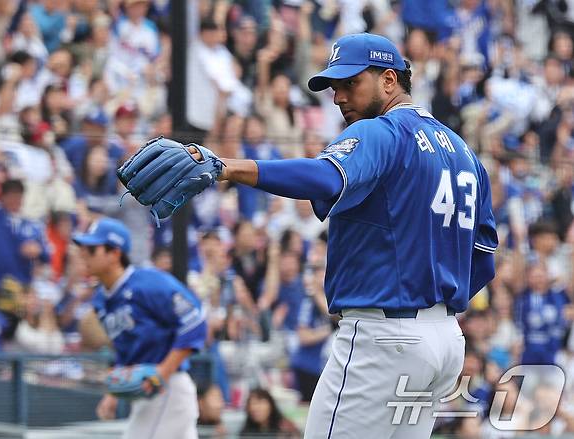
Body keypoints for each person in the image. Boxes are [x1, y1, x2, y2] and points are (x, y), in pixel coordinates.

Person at [181, 33, 497, 438]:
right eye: (335, 86)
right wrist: (429, 303)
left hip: (384, 337)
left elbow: (324, 176)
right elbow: (483, 260)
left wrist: (227, 166)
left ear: (389, 80)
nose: (338, 96)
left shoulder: (381, 132)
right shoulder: (463, 151)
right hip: (444, 341)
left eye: (351, 83)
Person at [73, 217, 207, 439]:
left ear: (115, 254)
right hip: (149, 397)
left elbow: (195, 320)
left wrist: (163, 372)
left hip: (168, 390)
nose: (83, 254)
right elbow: (127, 349)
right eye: (82, 248)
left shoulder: (148, 283)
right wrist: (112, 395)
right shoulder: (101, 300)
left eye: (92, 249)